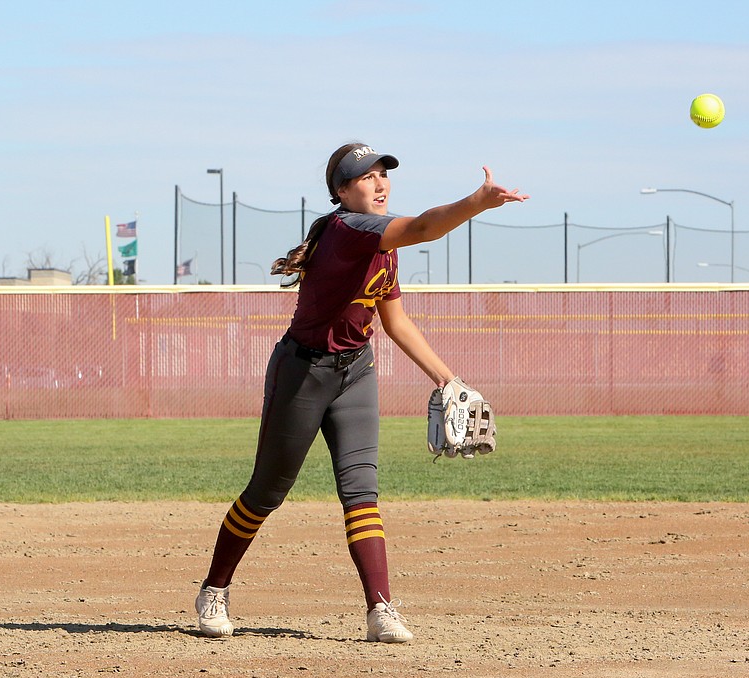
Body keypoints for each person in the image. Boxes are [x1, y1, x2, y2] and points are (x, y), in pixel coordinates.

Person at [194, 142, 528, 643]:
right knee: (267, 491)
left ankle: (381, 608)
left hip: (356, 374)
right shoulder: (349, 230)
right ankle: (214, 589)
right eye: (365, 176)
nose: (379, 183)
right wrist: (476, 202)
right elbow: (423, 226)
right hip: (302, 375)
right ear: (341, 191)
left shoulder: (380, 247)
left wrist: (447, 378)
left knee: (361, 492)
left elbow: (395, 321)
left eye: (383, 174)